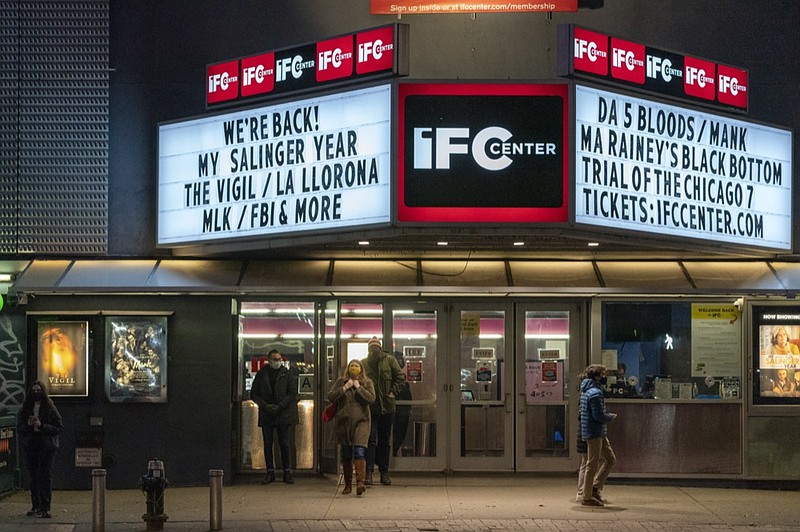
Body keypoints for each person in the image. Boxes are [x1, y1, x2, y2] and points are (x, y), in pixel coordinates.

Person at [361, 336, 405, 486]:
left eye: (377, 348)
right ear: (369, 350)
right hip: (370, 409)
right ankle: (369, 472)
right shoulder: (363, 364)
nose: (375, 351)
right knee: (370, 441)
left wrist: (393, 392)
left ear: (380, 348)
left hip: (387, 408)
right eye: (372, 348)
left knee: (384, 442)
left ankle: (384, 472)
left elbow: (400, 377)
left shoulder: (389, 360)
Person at [250, 349, 298, 485]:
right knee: (267, 444)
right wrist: (265, 406)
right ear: (269, 360)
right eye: (275, 359)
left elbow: (292, 393)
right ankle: (270, 472)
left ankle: (286, 472)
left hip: (283, 414)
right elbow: (254, 394)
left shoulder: (287, 374)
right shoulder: (261, 374)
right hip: (267, 415)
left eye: (279, 359)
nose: (277, 362)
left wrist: (280, 406)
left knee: (284, 444)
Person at [328, 359, 375, 495]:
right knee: (347, 453)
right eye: (351, 366)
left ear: (361, 369)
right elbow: (331, 396)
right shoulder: (341, 382)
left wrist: (359, 388)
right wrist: (344, 388)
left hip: (362, 421)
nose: (354, 368)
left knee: (360, 450)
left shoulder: (367, 383)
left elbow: (371, 399)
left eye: (356, 366)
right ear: (347, 368)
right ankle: (348, 484)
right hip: (344, 422)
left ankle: (360, 482)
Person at [17, 380, 63, 519]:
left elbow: (58, 427)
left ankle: (46, 507)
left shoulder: (49, 407)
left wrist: (42, 425)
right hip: (32, 444)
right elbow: (20, 428)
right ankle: (36, 505)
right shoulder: (26, 409)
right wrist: (29, 425)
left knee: (45, 476)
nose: (36, 393)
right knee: (34, 476)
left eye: (38, 390)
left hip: (47, 445)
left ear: (42, 392)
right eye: (34, 390)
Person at [579, 364, 617, 507]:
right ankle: (587, 496)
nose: (605, 377)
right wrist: (610, 417)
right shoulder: (595, 393)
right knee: (592, 465)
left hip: (597, 431)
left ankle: (594, 487)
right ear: (596, 376)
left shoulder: (586, 390)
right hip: (594, 432)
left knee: (610, 459)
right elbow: (598, 415)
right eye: (602, 374)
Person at [392, 351, 412, 457]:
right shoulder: (392, 377)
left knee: (400, 434)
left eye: (401, 359)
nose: (400, 362)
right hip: (396, 410)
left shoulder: (402, 377)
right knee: (395, 435)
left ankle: (394, 453)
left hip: (403, 410)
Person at [575, 369, 588, 503]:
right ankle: (585, 491)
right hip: (588, 432)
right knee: (588, 463)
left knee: (585, 462)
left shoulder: (583, 394)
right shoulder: (591, 394)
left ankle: (582, 490)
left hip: (583, 431)